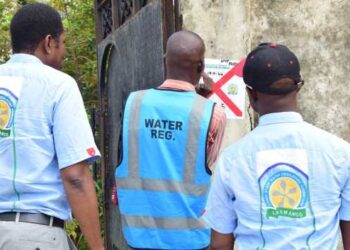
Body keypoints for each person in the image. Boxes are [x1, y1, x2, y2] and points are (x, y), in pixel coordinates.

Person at [203, 42, 350, 250]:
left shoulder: (232, 160)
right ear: (298, 88)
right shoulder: (340, 153)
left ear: (251, 95)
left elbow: (220, 244)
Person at [0, 3, 104, 250]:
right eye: (63, 43)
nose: (64, 51)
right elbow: (75, 176)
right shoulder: (59, 86)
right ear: (49, 42)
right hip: (36, 237)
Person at [115, 30, 227, 249]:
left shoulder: (134, 104)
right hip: (191, 239)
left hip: (139, 237)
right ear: (201, 67)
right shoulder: (213, 114)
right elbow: (204, 162)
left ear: (165, 61)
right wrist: (203, 98)